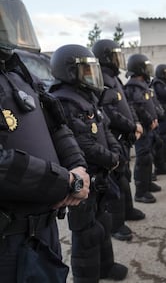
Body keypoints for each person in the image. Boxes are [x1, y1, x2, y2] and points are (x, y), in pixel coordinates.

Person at [0, 0, 90, 283]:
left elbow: (57, 124)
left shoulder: (16, 72)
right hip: (7, 244)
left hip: (42, 231)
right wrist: (64, 182)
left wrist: (77, 168)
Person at [50, 44, 129, 282]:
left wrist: (115, 153)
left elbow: (106, 130)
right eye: (86, 70)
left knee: (103, 223)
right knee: (87, 235)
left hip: (101, 177)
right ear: (70, 72)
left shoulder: (87, 98)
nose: (91, 75)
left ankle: (106, 267)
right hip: (84, 179)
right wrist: (112, 158)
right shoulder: (65, 101)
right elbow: (84, 144)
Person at [92, 39, 145, 242]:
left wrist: (135, 123)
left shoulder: (115, 79)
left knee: (125, 178)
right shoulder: (103, 79)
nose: (118, 60)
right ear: (105, 57)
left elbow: (127, 105)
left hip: (125, 138)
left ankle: (128, 211)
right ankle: (116, 225)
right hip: (114, 137)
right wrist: (131, 125)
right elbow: (109, 111)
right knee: (117, 182)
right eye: (114, 55)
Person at [124, 54, 162, 204]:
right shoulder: (133, 87)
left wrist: (156, 117)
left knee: (149, 157)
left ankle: (147, 184)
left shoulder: (143, 85)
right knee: (143, 159)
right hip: (144, 129)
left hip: (150, 128)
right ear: (139, 69)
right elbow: (138, 107)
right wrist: (149, 120)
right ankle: (140, 192)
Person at [151, 64, 166, 175]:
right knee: (161, 140)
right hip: (161, 115)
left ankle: (165, 160)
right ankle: (160, 165)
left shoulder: (165, 83)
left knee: (165, 138)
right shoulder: (158, 83)